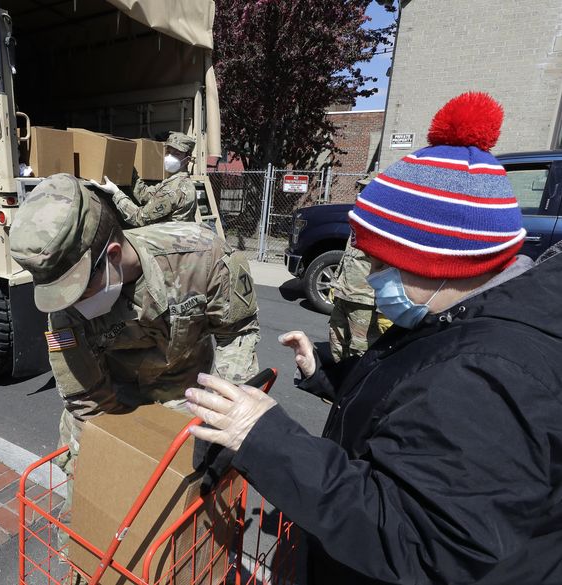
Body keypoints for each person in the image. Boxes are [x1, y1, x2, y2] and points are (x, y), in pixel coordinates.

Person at [184, 93, 562, 584]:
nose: (373, 278)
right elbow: (416, 414)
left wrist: (265, 436)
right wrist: (327, 374)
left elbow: (415, 538)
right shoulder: (460, 319)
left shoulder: (492, 374)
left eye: (384, 264)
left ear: (441, 262)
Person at [8, 172, 260, 483]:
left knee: (183, 508)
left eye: (78, 291)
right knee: (93, 505)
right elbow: (88, 399)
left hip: (188, 398)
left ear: (112, 256)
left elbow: (236, 333)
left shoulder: (203, 257)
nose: (69, 306)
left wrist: (220, 417)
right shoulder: (63, 306)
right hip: (114, 402)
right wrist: (116, 458)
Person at [89, 132, 198, 226]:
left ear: (187, 159)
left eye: (177, 154)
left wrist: (116, 192)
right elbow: (145, 195)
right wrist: (131, 170)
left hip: (169, 242)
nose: (170, 157)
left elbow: (139, 218)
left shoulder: (173, 189)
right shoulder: (178, 181)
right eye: (168, 152)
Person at [328, 234, 391, 361]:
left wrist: (384, 309)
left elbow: (388, 270)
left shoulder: (381, 228)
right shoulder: (357, 225)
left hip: (366, 301)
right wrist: (335, 283)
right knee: (336, 341)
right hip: (344, 295)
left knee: (360, 350)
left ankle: (356, 379)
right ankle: (338, 375)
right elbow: (347, 256)